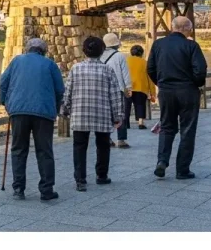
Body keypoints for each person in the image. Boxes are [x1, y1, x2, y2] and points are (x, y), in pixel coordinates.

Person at [0, 38, 65, 201]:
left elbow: (2, 84)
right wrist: (54, 109)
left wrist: (7, 103)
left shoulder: (16, 61)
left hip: (19, 111)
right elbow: (59, 90)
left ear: (27, 49)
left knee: (18, 149)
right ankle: (46, 189)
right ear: (44, 51)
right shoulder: (50, 64)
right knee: (44, 150)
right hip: (43, 112)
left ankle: (18, 189)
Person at [147, 16, 207, 180]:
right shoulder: (191, 45)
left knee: (166, 127)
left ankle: (162, 161)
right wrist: (196, 83)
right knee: (187, 129)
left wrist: (161, 83)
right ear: (188, 29)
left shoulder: (158, 44)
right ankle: (182, 169)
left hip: (166, 91)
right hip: (187, 91)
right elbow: (200, 71)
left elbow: (150, 68)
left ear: (172, 27)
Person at [61, 36, 122, 192]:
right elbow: (114, 95)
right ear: (102, 51)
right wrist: (117, 116)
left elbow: (68, 92)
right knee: (103, 146)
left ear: (84, 51)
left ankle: (80, 180)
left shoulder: (76, 68)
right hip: (102, 114)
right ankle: (101, 176)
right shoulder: (107, 69)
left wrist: (65, 109)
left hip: (80, 114)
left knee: (79, 146)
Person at [100, 33, 133, 148]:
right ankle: (121, 140)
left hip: (103, 89)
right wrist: (128, 87)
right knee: (120, 114)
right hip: (118, 89)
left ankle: (107, 138)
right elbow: (125, 73)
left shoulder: (100, 55)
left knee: (106, 115)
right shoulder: (120, 56)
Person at [127, 45, 155, 130]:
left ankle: (126, 123)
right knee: (140, 105)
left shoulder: (126, 61)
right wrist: (152, 92)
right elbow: (150, 78)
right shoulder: (145, 63)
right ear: (141, 53)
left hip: (128, 87)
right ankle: (140, 123)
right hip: (141, 87)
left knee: (126, 106)